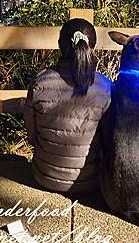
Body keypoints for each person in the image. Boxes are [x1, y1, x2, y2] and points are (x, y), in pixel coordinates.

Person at [23, 18, 112, 193]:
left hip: (44, 175)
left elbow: (32, 133)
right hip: (90, 180)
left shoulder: (40, 82)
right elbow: (107, 138)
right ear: (92, 48)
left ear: (59, 45)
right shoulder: (105, 87)